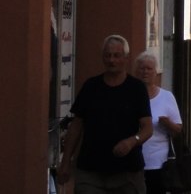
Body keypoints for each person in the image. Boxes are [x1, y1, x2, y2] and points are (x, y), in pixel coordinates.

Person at [57, 35, 153, 194]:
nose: (112, 60)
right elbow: (76, 127)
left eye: (116, 55)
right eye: (108, 55)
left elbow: (147, 128)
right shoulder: (91, 87)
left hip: (127, 173)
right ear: (102, 58)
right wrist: (66, 161)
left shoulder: (136, 89)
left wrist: (131, 141)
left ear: (126, 58)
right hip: (91, 171)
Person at [133, 51, 183, 194]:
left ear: (155, 72)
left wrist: (167, 123)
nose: (145, 72)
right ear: (136, 71)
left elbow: (178, 130)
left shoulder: (166, 97)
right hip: (133, 163)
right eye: (142, 68)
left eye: (149, 68)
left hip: (159, 163)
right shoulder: (130, 97)